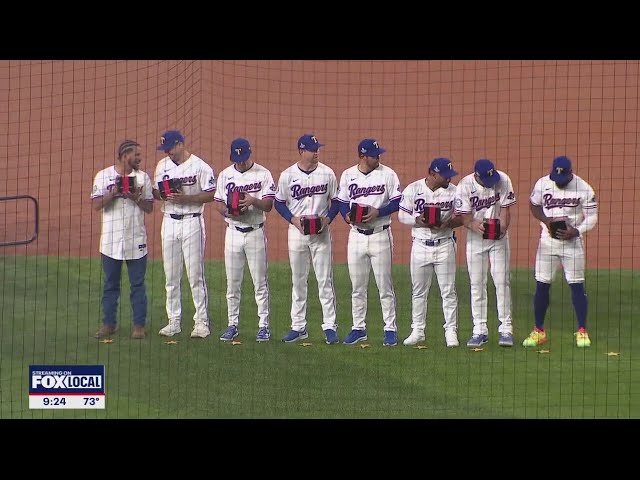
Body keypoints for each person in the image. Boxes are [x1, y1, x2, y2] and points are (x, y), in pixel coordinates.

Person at [523, 155, 598, 348]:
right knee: (542, 284)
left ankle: (582, 331)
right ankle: (538, 330)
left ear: (570, 174)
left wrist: (576, 231)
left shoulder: (583, 187)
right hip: (547, 244)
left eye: (562, 180)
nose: (559, 183)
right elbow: (534, 204)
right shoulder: (543, 183)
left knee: (576, 286)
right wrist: (546, 221)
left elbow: (592, 217)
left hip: (572, 245)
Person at [274, 134, 341, 344]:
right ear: (302, 151)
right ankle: (298, 326)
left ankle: (329, 326)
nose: (317, 152)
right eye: (313, 149)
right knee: (299, 280)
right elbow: (279, 203)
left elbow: (337, 201)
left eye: (317, 149)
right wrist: (292, 219)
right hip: (297, 233)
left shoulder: (327, 173)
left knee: (325, 280)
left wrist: (327, 219)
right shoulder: (287, 175)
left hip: (321, 235)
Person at [337, 138, 402, 346]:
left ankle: (390, 329)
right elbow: (342, 202)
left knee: (384, 286)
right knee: (357, 287)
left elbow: (398, 201)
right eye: (374, 155)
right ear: (362, 156)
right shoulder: (348, 175)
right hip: (356, 236)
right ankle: (358, 328)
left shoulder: (388, 174)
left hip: (380, 235)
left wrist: (378, 212)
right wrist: (347, 216)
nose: (378, 157)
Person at [153, 130, 216, 339]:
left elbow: (211, 194)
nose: (168, 152)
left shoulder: (200, 166)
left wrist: (186, 198)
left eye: (170, 147)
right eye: (165, 149)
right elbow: (155, 192)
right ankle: (174, 321)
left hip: (192, 222)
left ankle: (201, 322)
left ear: (180, 144)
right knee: (171, 276)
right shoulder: (162, 166)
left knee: (195, 275)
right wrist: (164, 194)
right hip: (169, 222)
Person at [214, 138, 276, 342]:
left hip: (255, 232)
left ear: (250, 154)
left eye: (243, 158)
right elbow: (218, 203)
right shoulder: (225, 175)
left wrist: (252, 201)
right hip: (232, 232)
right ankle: (232, 324)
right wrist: (229, 213)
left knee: (260, 282)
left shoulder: (263, 173)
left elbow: (268, 205)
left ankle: (264, 326)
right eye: (237, 159)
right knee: (232, 282)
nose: (240, 162)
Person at [398, 158, 464, 348]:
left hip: (445, 245)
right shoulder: (413, 189)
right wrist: (419, 220)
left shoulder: (454, 191)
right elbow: (402, 215)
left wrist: (447, 223)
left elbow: (462, 216)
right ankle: (418, 331)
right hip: (419, 246)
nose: (449, 179)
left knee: (448, 291)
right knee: (418, 291)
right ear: (433, 174)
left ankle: (451, 331)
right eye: (445, 175)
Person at [91, 140, 154, 339]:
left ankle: (139, 326)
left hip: (136, 240)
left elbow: (150, 207)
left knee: (138, 285)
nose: (140, 158)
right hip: (110, 241)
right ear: (125, 155)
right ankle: (109, 324)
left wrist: (135, 197)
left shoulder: (143, 178)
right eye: (136, 155)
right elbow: (96, 204)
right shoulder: (103, 176)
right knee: (110, 285)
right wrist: (114, 193)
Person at [454, 159, 516, 348]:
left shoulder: (503, 179)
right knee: (477, 284)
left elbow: (506, 209)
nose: (492, 183)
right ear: (477, 176)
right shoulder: (465, 185)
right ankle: (479, 330)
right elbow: (464, 218)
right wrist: (475, 226)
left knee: (501, 281)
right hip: (476, 240)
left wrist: (503, 228)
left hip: (499, 240)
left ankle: (506, 329)